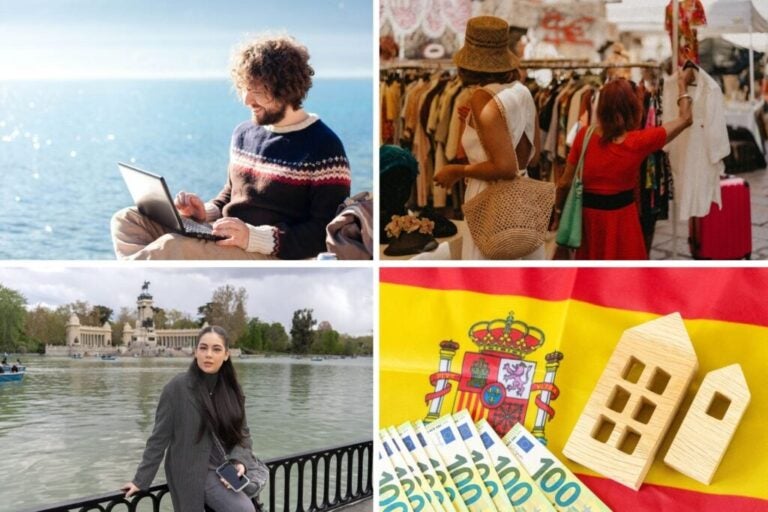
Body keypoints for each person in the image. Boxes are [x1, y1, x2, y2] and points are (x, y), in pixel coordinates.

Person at [111, 34, 352, 260]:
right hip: (225, 236)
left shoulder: (324, 147)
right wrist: (204, 213)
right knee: (126, 219)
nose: (247, 100)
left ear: (285, 89)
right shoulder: (243, 133)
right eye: (245, 89)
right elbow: (230, 195)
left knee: (172, 247)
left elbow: (325, 233)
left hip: (270, 253)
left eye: (256, 91)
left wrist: (253, 237)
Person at [552, 69, 695, 259]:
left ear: (601, 108)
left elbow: (564, 183)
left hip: (589, 221)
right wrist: (682, 85)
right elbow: (685, 119)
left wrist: (559, 212)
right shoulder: (637, 142)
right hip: (622, 220)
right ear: (632, 107)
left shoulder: (583, 136)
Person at [433, 16, 543, 260]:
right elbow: (532, 157)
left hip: (491, 201)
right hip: (522, 200)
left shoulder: (482, 97)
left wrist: (456, 170)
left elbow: (504, 166)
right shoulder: (522, 91)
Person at [121, 326, 259, 511]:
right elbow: (158, 439)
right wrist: (141, 480)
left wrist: (239, 462)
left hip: (225, 467)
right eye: (203, 348)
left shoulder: (232, 390)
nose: (208, 354)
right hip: (192, 470)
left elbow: (243, 434)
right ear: (195, 352)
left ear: (226, 355)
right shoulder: (177, 388)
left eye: (216, 349)